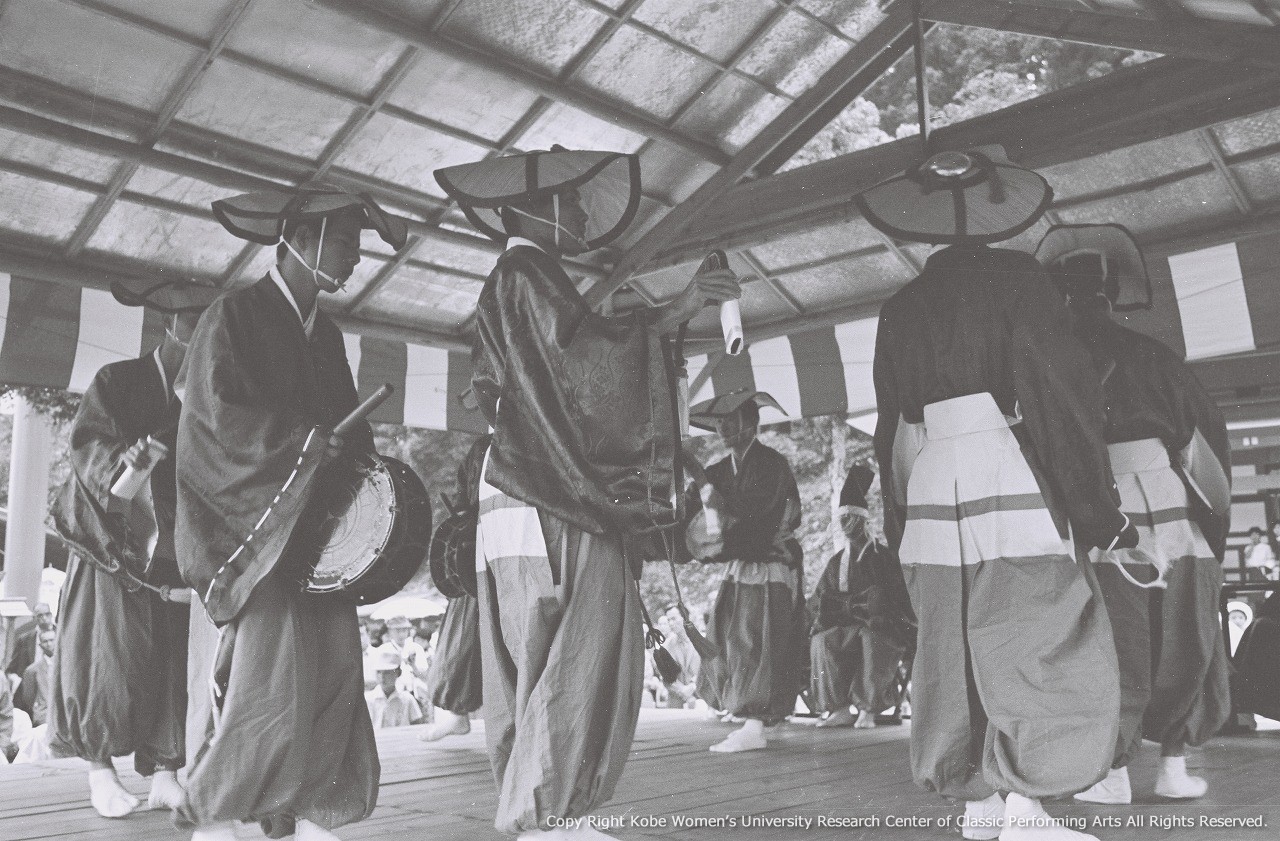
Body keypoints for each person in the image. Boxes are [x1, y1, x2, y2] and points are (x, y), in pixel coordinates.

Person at [435, 147, 740, 839]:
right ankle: (550, 812)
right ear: (538, 207)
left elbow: (573, 361)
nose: (578, 215)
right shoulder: (526, 272)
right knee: (579, 644)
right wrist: (679, 308)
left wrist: (669, 315)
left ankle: (537, 811)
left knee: (529, 655)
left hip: (515, 487)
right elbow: (582, 364)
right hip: (549, 489)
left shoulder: (517, 278)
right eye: (570, 202)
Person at [861, 149, 1138, 841]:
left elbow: (891, 426)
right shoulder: (1020, 280)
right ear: (994, 211)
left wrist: (899, 521)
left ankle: (977, 803)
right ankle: (1026, 809)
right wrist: (1096, 510)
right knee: (1036, 628)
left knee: (949, 638)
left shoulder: (901, 305)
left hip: (931, 475)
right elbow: (1059, 396)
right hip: (1006, 465)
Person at [175, 182, 408, 841]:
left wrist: (361, 481)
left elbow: (349, 430)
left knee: (335, 669)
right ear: (301, 239)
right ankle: (216, 812)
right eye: (347, 243)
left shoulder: (324, 332)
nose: (356, 257)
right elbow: (215, 420)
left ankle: (304, 810)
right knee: (269, 680)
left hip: (318, 534)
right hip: (260, 529)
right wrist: (303, 444)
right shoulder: (233, 314)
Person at [1039, 224, 1231, 806]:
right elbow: (1204, 440)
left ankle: (1113, 770)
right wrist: (1213, 528)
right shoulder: (1156, 354)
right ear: (1112, 293)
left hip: (1098, 508)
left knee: (1112, 638)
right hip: (1173, 507)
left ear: (1062, 296)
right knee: (1185, 633)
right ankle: (1172, 764)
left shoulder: (1052, 359)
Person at [46, 297, 200, 819]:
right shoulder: (118, 380)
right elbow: (90, 451)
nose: (201, 327)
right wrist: (126, 465)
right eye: (192, 315)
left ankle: (166, 773)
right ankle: (100, 770)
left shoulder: (208, 391)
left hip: (173, 546)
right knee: (108, 655)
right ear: (168, 321)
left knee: (173, 657)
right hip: (109, 541)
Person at [685, 390, 807, 752]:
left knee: (755, 639)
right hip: (742, 564)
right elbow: (698, 505)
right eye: (721, 423)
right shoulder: (722, 469)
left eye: (731, 421)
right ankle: (746, 714)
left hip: (768, 563)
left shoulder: (771, 464)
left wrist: (714, 503)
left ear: (751, 424)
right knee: (727, 635)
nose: (724, 429)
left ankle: (755, 724)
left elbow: (758, 517)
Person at [809, 464, 913, 730]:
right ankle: (839, 708)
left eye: (851, 520)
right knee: (822, 641)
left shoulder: (884, 557)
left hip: (881, 625)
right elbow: (820, 598)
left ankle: (868, 709)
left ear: (864, 521)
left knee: (872, 637)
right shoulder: (837, 562)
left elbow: (899, 598)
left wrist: (879, 612)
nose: (846, 526)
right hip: (845, 625)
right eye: (842, 520)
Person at [421, 435, 489, 742]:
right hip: (478, 553)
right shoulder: (482, 449)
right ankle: (454, 715)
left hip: (510, 550)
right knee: (461, 641)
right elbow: (463, 501)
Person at [365, 648, 425, 728]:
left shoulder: (407, 699)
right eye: (379, 672)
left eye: (387, 673)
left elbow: (418, 727)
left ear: (398, 673)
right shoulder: (367, 700)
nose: (382, 677)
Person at [656, 607, 699, 709]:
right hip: (676, 703)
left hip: (700, 699)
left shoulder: (702, 642)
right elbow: (666, 676)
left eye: (674, 619)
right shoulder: (666, 647)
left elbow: (708, 670)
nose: (671, 623)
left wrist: (693, 686)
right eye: (669, 620)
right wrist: (683, 690)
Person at [382, 615, 430, 705]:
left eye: (404, 630)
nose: (401, 634)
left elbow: (424, 676)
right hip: (393, 696)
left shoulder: (416, 648)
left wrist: (413, 666)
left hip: (416, 695)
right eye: (397, 630)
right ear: (390, 631)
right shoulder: (384, 650)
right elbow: (382, 676)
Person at [17, 628, 56, 728]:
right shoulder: (32, 670)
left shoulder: (65, 667)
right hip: (43, 719)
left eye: (52, 640)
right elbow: (28, 698)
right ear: (40, 645)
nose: (49, 644)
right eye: (45, 641)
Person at [5, 602, 54, 679]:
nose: (44, 618)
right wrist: (15, 679)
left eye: (47, 614)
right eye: (40, 615)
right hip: (30, 681)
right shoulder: (24, 640)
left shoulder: (61, 636)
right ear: (34, 618)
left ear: (51, 615)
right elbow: (11, 669)